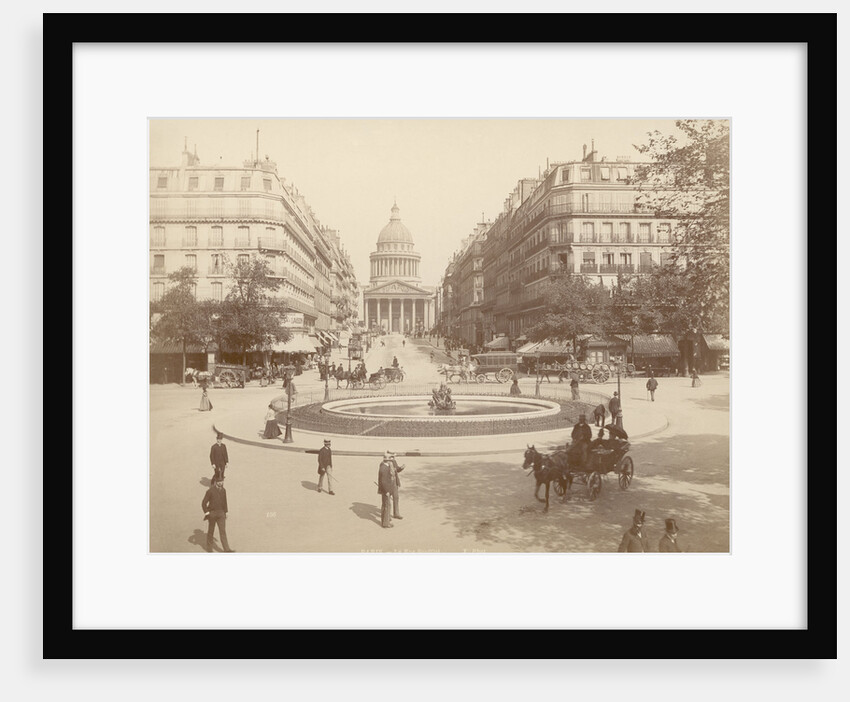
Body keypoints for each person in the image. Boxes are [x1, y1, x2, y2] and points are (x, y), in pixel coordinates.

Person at [201, 477, 234, 552]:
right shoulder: (210, 491)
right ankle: (209, 549)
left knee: (222, 531)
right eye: (219, 481)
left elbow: (225, 502)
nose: (221, 483)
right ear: (215, 482)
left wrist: (226, 512)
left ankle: (227, 549)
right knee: (211, 531)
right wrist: (207, 513)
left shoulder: (223, 490)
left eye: (222, 481)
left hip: (221, 514)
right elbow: (203, 503)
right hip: (212, 514)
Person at [377, 452, 396, 528]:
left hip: (386, 489)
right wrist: (387, 491)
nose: (392, 460)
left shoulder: (384, 465)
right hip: (386, 490)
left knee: (386, 505)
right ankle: (385, 523)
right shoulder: (384, 468)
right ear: (388, 460)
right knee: (386, 506)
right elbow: (384, 481)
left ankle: (386, 520)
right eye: (390, 459)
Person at [387, 451, 405, 520]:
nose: (394, 458)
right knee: (387, 501)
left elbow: (397, 469)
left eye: (394, 457)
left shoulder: (394, 461)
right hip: (388, 484)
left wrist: (401, 468)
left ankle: (396, 514)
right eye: (392, 456)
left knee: (396, 498)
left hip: (395, 483)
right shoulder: (385, 463)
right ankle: (387, 516)